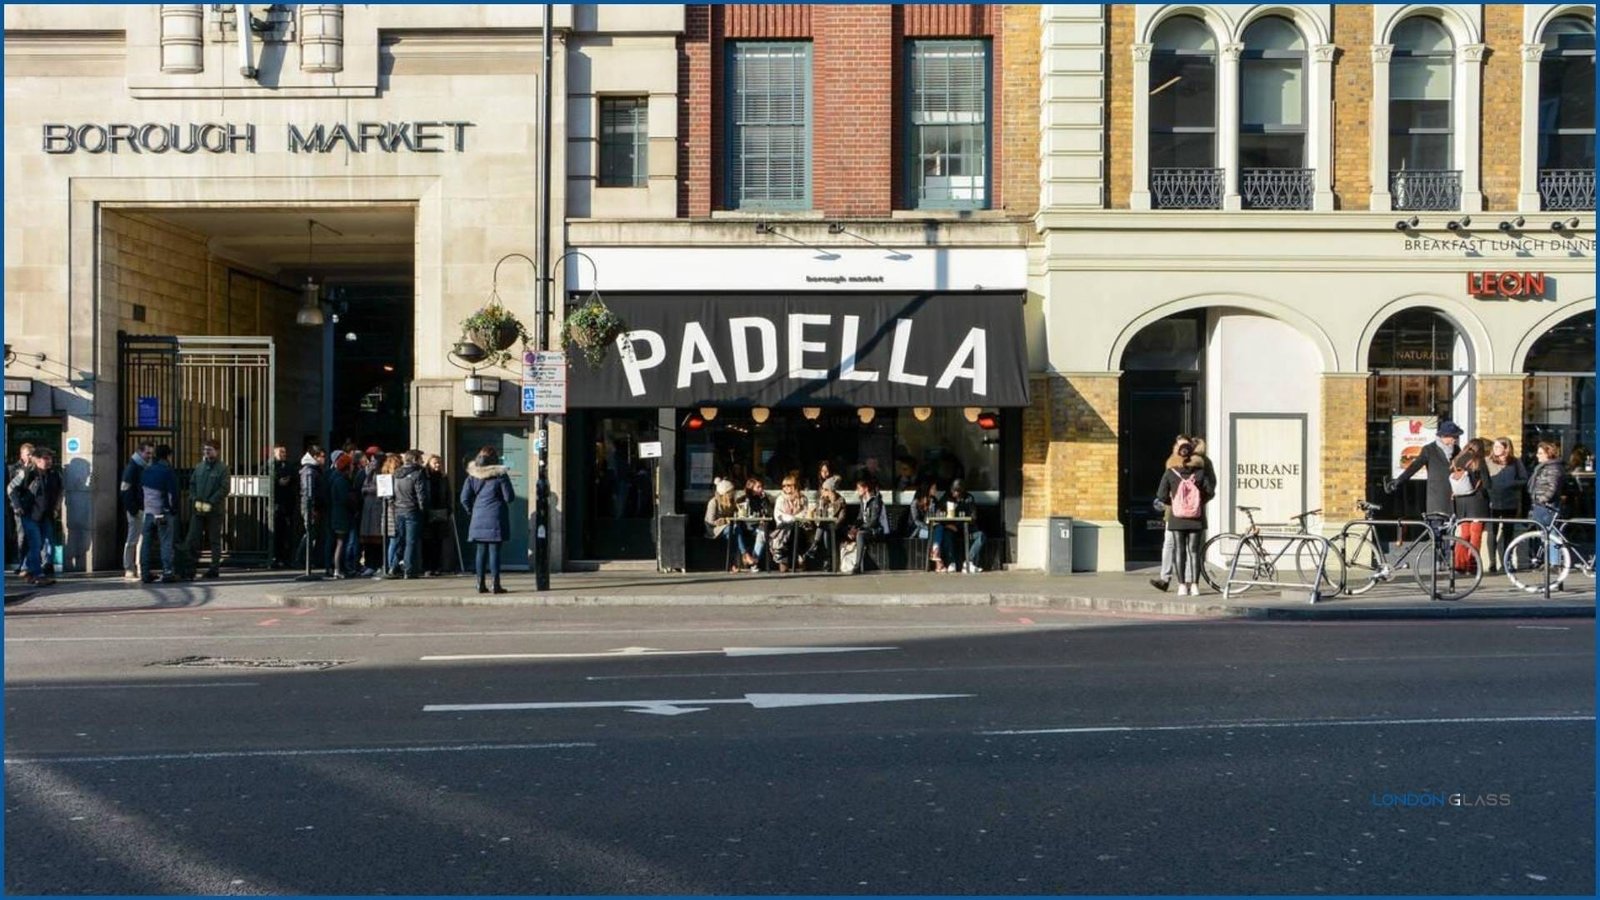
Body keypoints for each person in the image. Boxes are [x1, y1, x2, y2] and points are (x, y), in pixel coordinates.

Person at [1155, 440, 1214, 596]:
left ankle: (1181, 586)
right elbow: (1210, 492)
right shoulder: (1201, 473)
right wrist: (1199, 503)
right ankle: (1194, 586)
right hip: (1196, 517)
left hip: (1177, 517)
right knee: (1194, 551)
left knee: (1179, 550)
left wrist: (1174, 502)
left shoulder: (1170, 472)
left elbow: (1161, 495)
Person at [461, 446, 515, 594]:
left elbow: (464, 498)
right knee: (494, 551)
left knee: (480, 551)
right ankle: (495, 584)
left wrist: (472, 511)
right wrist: (504, 479)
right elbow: (509, 497)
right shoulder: (500, 475)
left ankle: (480, 584)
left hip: (478, 517)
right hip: (495, 517)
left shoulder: (472, 476)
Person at [9, 448, 63, 586]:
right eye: (46, 458)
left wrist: (57, 507)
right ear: (37, 460)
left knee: (43, 545)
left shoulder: (54, 474)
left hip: (46, 515)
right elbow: (11, 488)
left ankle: (28, 570)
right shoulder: (28, 473)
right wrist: (17, 506)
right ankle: (38, 575)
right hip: (30, 514)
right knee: (35, 544)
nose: (49, 461)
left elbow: (60, 491)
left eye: (50, 458)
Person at [1387, 420, 1464, 515]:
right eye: (1454, 436)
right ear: (1444, 436)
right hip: (1437, 497)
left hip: (1454, 496)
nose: (1455, 439)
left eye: (1457, 436)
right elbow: (1415, 466)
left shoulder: (1456, 450)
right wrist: (1399, 480)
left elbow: (1462, 467)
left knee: (1454, 527)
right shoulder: (1429, 450)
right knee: (1436, 526)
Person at [182, 438, 231, 579]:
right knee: (192, 539)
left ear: (217, 451)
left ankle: (214, 568)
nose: (206, 452)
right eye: (204, 450)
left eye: (209, 450)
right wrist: (194, 498)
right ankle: (189, 568)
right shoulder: (199, 467)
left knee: (214, 540)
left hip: (215, 511)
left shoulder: (223, 468)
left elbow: (224, 488)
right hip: (198, 510)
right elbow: (192, 484)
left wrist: (210, 501)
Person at [1150, 434, 1192, 593]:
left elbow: (1209, 485)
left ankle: (1188, 581)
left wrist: (1197, 502)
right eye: (1178, 445)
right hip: (1172, 511)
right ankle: (1165, 578)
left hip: (1191, 512)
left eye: (1184, 444)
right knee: (1169, 544)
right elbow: (1164, 490)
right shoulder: (1171, 464)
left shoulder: (1198, 463)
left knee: (1188, 547)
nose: (1181, 448)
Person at [1484, 437, 1529, 573]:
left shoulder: (1515, 462)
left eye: (1498, 447)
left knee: (1508, 533)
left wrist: (1512, 484)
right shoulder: (1487, 461)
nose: (1495, 449)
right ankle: (1492, 562)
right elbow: (1484, 480)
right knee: (1492, 532)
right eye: (1494, 447)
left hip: (1510, 501)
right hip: (1493, 502)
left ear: (1506, 448)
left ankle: (1506, 561)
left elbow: (1524, 479)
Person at [382, 449, 428, 579]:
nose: (422, 461)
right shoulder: (417, 474)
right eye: (420, 459)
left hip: (398, 510)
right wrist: (423, 509)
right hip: (412, 510)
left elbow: (390, 495)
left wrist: (394, 505)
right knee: (411, 542)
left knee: (399, 540)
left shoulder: (396, 473)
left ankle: (393, 567)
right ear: (414, 460)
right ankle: (409, 569)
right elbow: (421, 495)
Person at [138, 444, 180, 584]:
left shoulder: (146, 470)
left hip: (149, 512)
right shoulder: (168, 471)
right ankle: (167, 572)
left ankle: (144, 573)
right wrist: (173, 509)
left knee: (146, 543)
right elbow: (172, 494)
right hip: (163, 512)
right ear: (168, 456)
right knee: (166, 543)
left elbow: (141, 490)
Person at [1449, 439, 1489, 574]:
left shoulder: (1457, 460)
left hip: (1461, 502)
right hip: (1477, 502)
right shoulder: (1478, 460)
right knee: (1475, 535)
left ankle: (1459, 564)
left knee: (1464, 534)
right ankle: (1472, 565)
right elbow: (1488, 484)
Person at [1527, 441, 1570, 567]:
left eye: (1540, 453)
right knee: (1545, 534)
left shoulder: (1553, 468)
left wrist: (1542, 499)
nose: (1537, 455)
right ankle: (1549, 561)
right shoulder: (1544, 467)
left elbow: (1552, 488)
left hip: (1547, 506)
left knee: (1551, 535)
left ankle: (1554, 563)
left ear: (1549, 454)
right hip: (1541, 505)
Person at [840, 476, 889, 574]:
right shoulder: (863, 500)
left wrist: (858, 530)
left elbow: (873, 522)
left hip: (878, 530)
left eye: (858, 488)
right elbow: (860, 517)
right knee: (844, 529)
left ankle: (857, 566)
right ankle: (846, 560)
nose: (857, 490)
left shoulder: (876, 501)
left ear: (866, 488)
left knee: (860, 534)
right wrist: (853, 527)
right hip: (867, 529)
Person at [119, 442, 153, 581]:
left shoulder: (141, 466)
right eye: (148, 453)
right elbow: (125, 490)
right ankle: (129, 568)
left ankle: (138, 568)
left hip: (142, 508)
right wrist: (133, 509)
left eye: (151, 453)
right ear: (139, 452)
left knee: (140, 540)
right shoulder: (133, 468)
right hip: (137, 509)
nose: (150, 456)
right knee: (133, 540)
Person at [799, 476, 846, 572]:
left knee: (824, 528)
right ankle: (827, 561)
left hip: (837, 528)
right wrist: (820, 506)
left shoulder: (841, 501)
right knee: (824, 529)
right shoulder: (822, 500)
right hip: (824, 528)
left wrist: (833, 503)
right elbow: (819, 519)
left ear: (831, 490)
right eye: (823, 489)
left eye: (825, 489)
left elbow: (841, 518)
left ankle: (814, 548)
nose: (822, 491)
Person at [942, 479, 987, 573]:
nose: (954, 493)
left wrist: (959, 525)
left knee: (981, 535)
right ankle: (951, 563)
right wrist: (947, 524)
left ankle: (969, 562)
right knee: (946, 534)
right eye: (953, 490)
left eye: (957, 491)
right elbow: (939, 512)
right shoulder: (947, 497)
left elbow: (973, 517)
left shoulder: (969, 498)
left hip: (967, 530)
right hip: (952, 529)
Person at [704, 478, 743, 573]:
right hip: (714, 530)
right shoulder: (713, 502)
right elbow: (710, 521)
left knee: (733, 533)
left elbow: (736, 515)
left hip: (729, 528)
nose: (733, 493)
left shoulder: (732, 502)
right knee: (734, 530)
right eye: (731, 492)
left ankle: (733, 564)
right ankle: (743, 556)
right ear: (725, 493)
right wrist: (725, 520)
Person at [327, 452, 356, 578]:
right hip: (341, 515)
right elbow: (346, 499)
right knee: (340, 542)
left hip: (337, 513)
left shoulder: (335, 477)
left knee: (339, 542)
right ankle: (338, 569)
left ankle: (337, 568)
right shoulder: (342, 480)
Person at [423, 454, 452, 575]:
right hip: (427, 511)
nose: (437, 465)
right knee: (427, 541)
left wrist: (449, 508)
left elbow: (448, 494)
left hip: (440, 511)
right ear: (429, 464)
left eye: (439, 463)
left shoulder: (443, 478)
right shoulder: (424, 477)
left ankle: (437, 566)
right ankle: (428, 567)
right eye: (435, 463)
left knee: (438, 541)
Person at [769, 475, 806, 572]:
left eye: (788, 485)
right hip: (784, 526)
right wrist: (790, 518)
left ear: (795, 486)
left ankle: (781, 554)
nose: (786, 488)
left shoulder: (802, 498)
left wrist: (793, 518)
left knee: (794, 530)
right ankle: (783, 558)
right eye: (784, 486)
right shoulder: (780, 499)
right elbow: (778, 515)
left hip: (800, 526)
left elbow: (804, 513)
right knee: (786, 529)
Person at [8, 443, 34, 575]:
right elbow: (12, 488)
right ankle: (21, 563)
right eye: (28, 454)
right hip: (20, 508)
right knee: (22, 535)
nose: (30, 457)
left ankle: (32, 564)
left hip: (34, 508)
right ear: (22, 455)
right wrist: (16, 506)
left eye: (32, 454)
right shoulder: (14, 468)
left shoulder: (36, 468)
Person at [270, 445, 298, 569]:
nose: (283, 454)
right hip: (274, 504)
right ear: (274, 453)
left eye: (285, 452)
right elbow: (265, 480)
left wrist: (289, 480)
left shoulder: (289, 465)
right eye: (281, 452)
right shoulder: (269, 466)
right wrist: (277, 481)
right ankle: (274, 557)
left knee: (286, 533)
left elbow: (295, 478)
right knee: (275, 533)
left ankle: (285, 558)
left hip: (287, 504)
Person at [735, 477, 772, 571]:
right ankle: (751, 561)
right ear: (751, 488)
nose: (761, 489)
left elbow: (769, 512)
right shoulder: (742, 499)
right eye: (758, 487)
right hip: (745, 526)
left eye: (761, 486)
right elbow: (739, 514)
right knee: (736, 529)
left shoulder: (763, 499)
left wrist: (764, 500)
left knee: (762, 532)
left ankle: (754, 561)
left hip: (757, 527)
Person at [356, 447, 382, 576]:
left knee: (376, 539)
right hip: (369, 509)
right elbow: (360, 488)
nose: (371, 462)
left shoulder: (379, 472)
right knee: (370, 540)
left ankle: (375, 564)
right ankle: (371, 564)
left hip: (376, 509)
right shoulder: (366, 472)